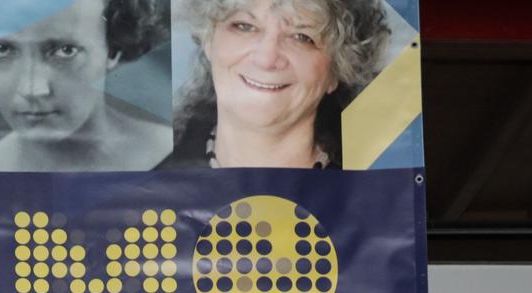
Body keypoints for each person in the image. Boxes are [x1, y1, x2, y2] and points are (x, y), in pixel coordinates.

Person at [162, 0, 390, 169]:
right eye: (244, 26)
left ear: (338, 69)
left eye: (301, 37)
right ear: (208, 40)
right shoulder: (151, 190)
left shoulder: (374, 201)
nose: (267, 58)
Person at [0, 0, 172, 172]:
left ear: (113, 48)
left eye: (65, 51)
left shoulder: (184, 157)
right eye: (2, 49)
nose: (32, 89)